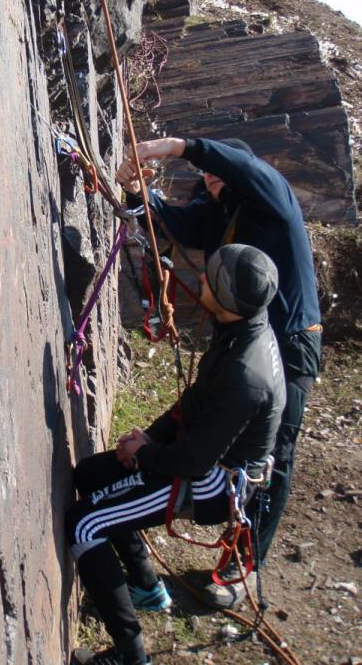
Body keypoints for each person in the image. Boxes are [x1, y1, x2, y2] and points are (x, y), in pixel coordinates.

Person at [116, 136, 322, 607]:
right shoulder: (222, 213)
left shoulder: (273, 202)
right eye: (209, 174)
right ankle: (167, 472)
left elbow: (247, 170)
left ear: (242, 170)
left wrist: (175, 147)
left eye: (222, 169)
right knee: (223, 431)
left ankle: (246, 565)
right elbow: (174, 223)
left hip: (288, 344)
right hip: (245, 342)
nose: (213, 177)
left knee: (273, 456)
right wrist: (136, 194)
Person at [67, 244, 286, 665]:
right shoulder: (242, 332)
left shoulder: (245, 374)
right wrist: (146, 442)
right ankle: (147, 587)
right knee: (89, 476)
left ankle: (132, 656)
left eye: (211, 277)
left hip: (211, 484)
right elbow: (196, 400)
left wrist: (148, 457)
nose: (202, 278)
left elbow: (193, 463)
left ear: (226, 298)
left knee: (83, 524)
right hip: (201, 460)